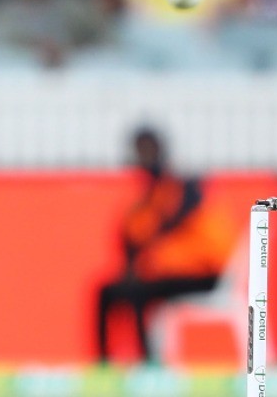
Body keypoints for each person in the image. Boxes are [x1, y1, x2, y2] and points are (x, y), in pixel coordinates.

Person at [95, 127, 236, 364]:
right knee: (107, 292)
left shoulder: (185, 187)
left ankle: (147, 364)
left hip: (205, 273)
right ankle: (104, 364)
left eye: (146, 152)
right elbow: (134, 236)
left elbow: (165, 226)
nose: (142, 159)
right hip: (174, 273)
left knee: (139, 291)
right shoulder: (152, 193)